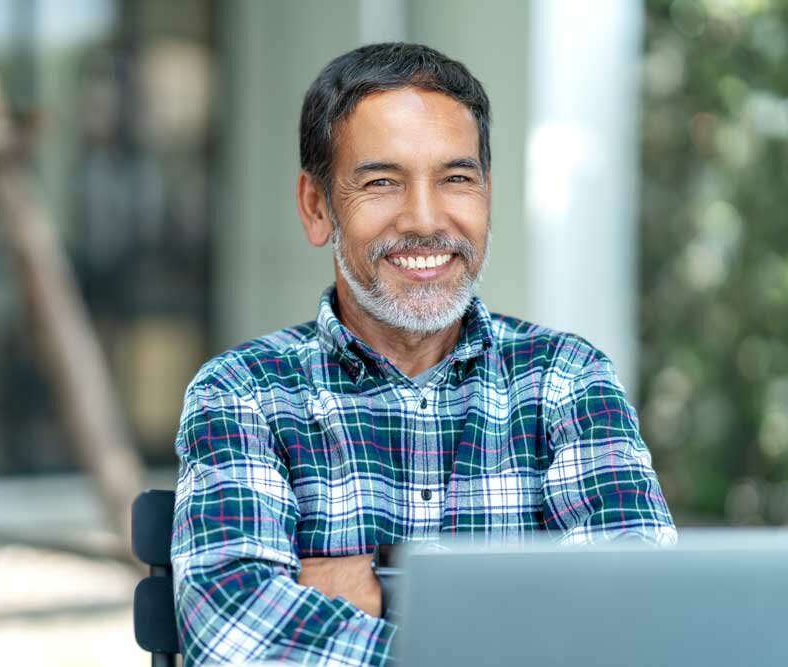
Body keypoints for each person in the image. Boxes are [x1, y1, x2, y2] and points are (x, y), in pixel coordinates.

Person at [170, 42, 676, 666]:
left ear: (487, 195)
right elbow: (238, 636)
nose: (425, 218)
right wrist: (512, 625)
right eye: (382, 182)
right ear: (317, 206)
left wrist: (382, 585)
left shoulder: (567, 381)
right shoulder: (242, 392)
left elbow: (636, 621)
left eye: (456, 179)